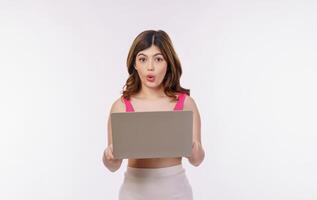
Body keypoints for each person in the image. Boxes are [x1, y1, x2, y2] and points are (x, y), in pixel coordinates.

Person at [102, 30, 205, 200]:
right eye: (143, 59)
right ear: (135, 64)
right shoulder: (121, 106)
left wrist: (192, 147)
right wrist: (109, 155)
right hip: (133, 194)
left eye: (158, 59)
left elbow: (197, 160)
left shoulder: (185, 103)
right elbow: (113, 166)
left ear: (168, 62)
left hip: (177, 192)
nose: (150, 67)